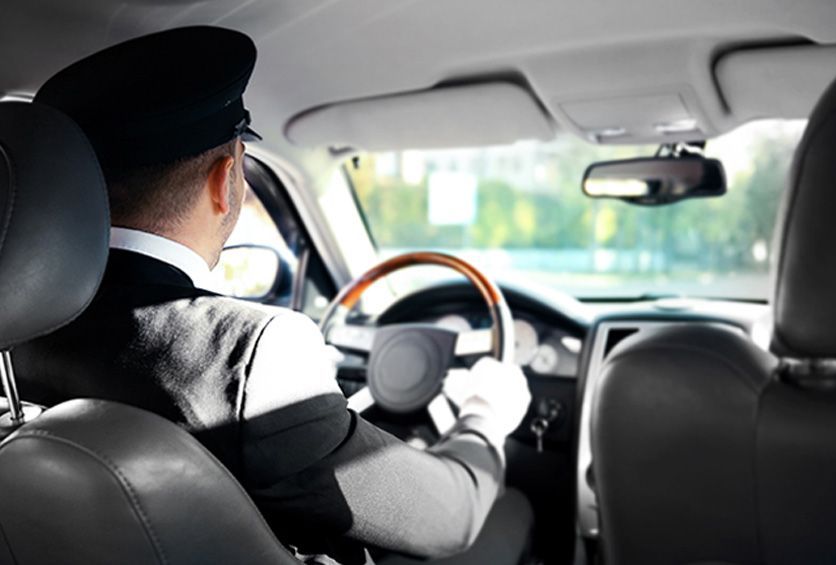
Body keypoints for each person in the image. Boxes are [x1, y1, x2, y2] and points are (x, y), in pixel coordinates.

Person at [14, 26, 532, 564]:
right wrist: (483, 417)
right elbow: (450, 517)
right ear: (226, 178)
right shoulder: (253, 353)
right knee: (511, 509)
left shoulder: (16, 326)